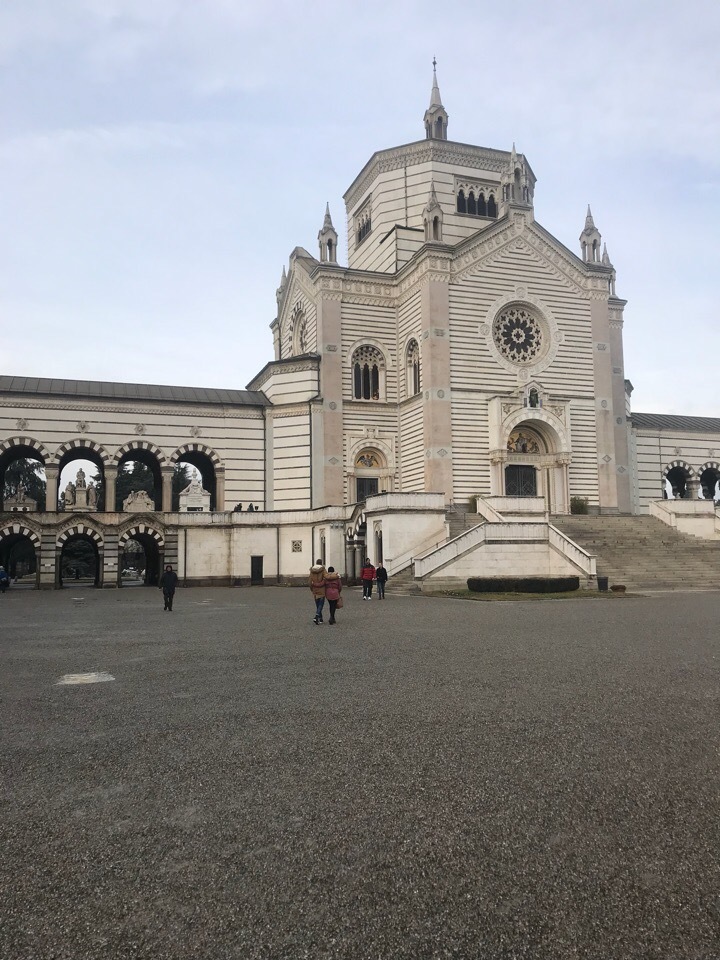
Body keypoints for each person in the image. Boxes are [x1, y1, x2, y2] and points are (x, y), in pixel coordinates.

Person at [309, 559, 327, 624]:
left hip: (315, 590)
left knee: (317, 604)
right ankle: (317, 616)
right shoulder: (323, 570)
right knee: (321, 604)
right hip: (322, 589)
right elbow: (326, 578)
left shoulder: (312, 571)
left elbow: (310, 581)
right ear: (321, 563)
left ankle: (320, 618)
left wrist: (312, 589)